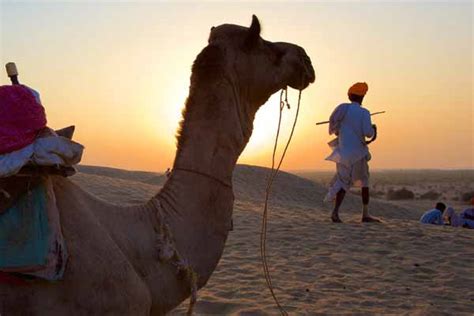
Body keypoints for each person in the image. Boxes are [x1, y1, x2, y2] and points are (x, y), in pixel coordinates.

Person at [324, 82, 378, 223]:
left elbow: (334, 129)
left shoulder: (342, 109)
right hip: (358, 154)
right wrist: (374, 129)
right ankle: (365, 214)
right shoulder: (364, 112)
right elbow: (367, 133)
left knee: (342, 182)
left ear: (349, 96)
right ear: (362, 97)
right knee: (364, 181)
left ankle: (335, 213)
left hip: (342, 154)